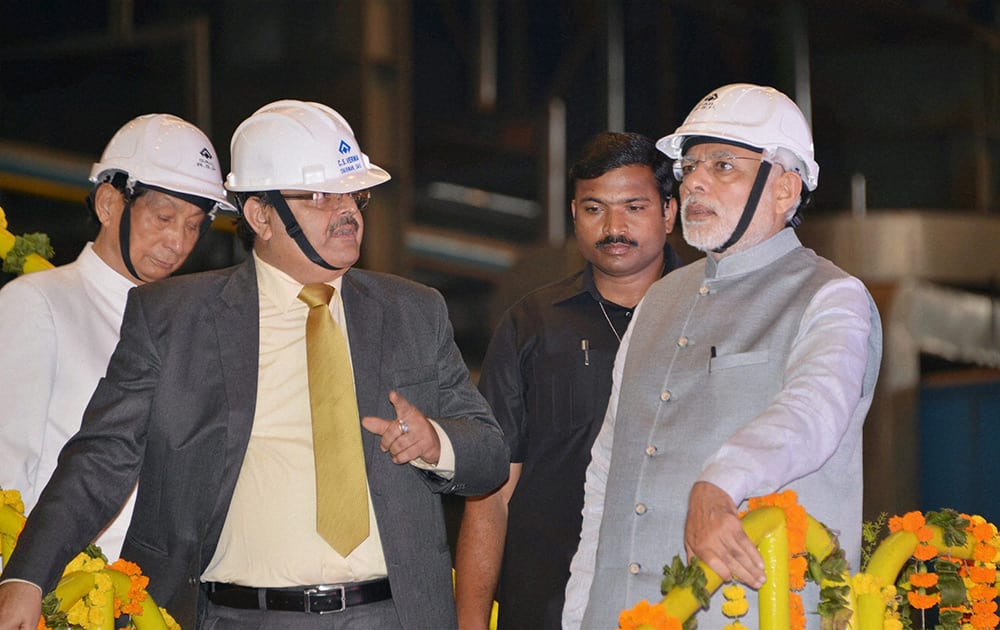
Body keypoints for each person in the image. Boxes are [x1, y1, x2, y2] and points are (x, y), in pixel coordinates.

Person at [0, 99, 509, 630]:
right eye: (317, 196)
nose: (347, 214)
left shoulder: (413, 310)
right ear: (260, 215)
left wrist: (438, 444)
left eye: (354, 195)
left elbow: (491, 454)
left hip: (391, 615)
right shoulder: (174, 318)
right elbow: (100, 459)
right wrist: (27, 576)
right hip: (240, 617)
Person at [563, 84, 883, 629]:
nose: (695, 183)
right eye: (689, 167)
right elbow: (606, 477)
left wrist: (721, 483)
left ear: (784, 188)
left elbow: (813, 410)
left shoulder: (832, 297)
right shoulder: (659, 299)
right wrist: (579, 616)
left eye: (724, 165)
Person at [454, 132, 683, 629]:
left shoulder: (710, 315)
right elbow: (490, 493)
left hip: (686, 600)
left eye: (634, 207)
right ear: (574, 214)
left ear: (669, 212)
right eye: (594, 209)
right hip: (547, 606)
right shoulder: (531, 324)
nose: (614, 227)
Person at [0, 113, 234, 560]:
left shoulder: (189, 325)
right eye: (164, 216)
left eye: (194, 225)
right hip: (60, 596)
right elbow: (6, 475)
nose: (178, 242)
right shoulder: (39, 302)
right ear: (108, 204)